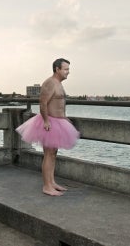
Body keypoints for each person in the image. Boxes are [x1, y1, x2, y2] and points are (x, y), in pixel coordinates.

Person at [16, 58, 80, 196]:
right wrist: (45, 121)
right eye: (66, 69)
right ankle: (46, 186)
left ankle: (52, 182)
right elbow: (43, 103)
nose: (68, 72)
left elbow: (59, 103)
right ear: (57, 69)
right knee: (48, 154)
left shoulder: (58, 83)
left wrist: (64, 118)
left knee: (53, 153)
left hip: (58, 121)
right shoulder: (50, 83)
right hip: (49, 122)